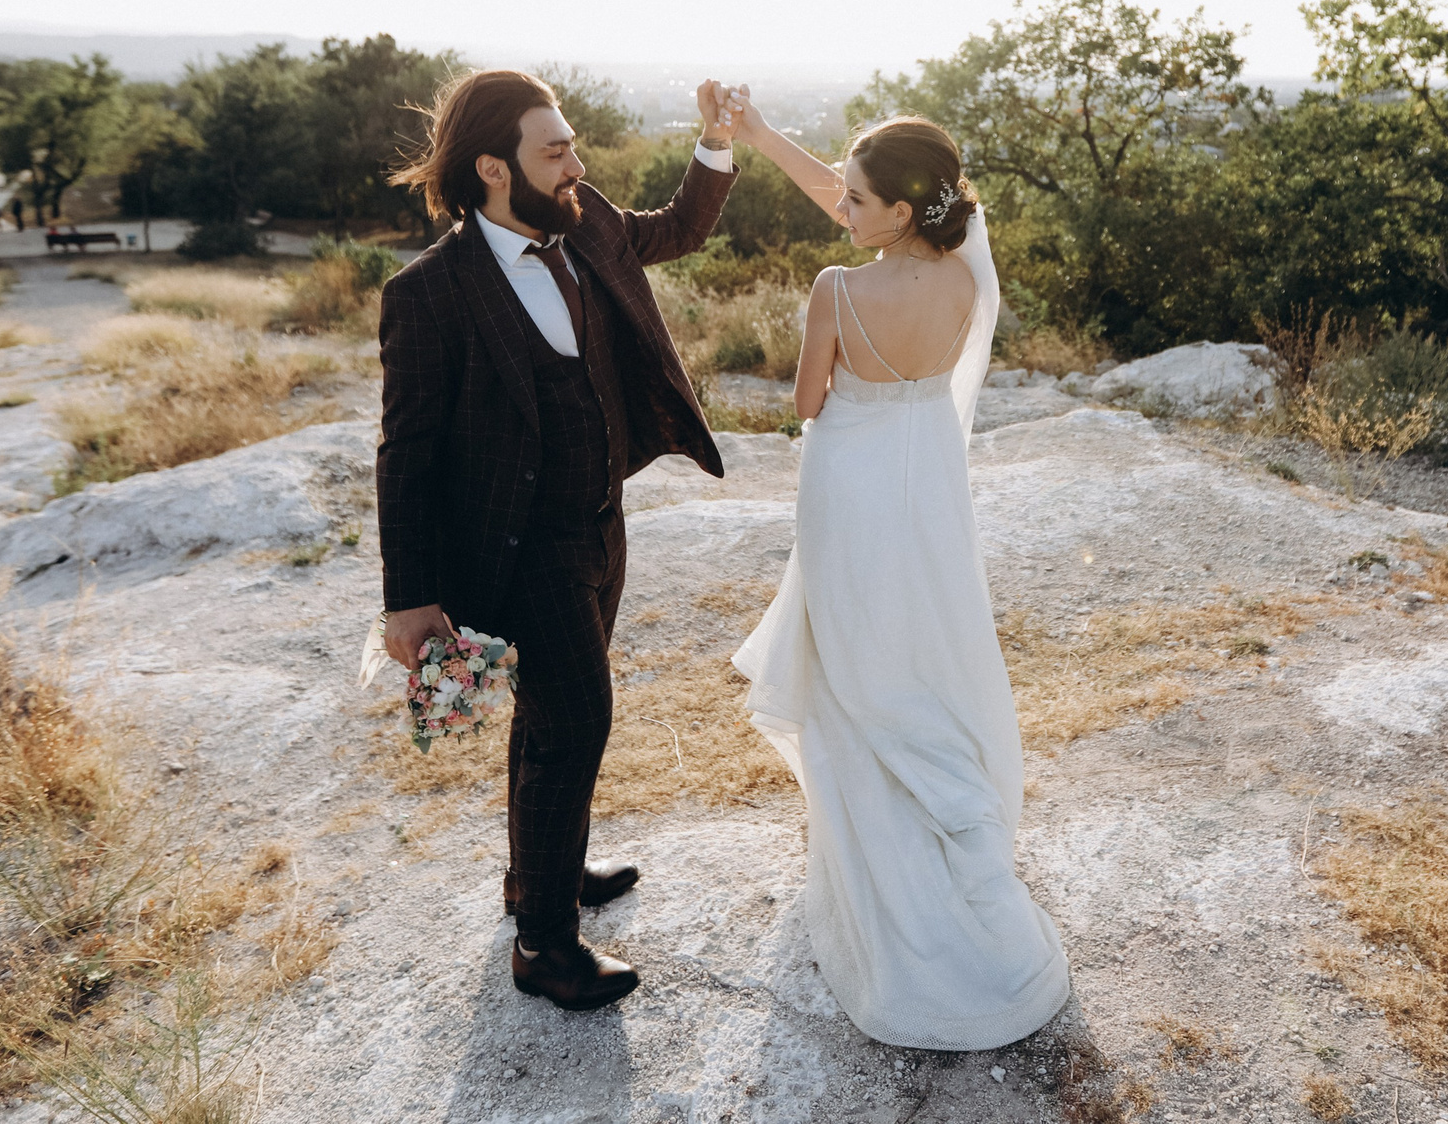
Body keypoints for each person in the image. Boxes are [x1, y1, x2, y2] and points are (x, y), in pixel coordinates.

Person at [374, 68, 740, 1012]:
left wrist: (715, 143)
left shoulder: (586, 220)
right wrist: (409, 596)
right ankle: (543, 944)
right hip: (516, 545)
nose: (577, 163)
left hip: (601, 526)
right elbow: (405, 454)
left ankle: (539, 873)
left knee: (548, 714)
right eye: (556, 150)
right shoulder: (428, 294)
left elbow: (681, 230)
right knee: (576, 718)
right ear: (494, 169)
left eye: (573, 145)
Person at [725, 96, 1073, 1050]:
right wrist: (758, 137)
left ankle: (873, 852)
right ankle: (950, 804)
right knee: (925, 637)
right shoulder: (966, 272)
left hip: (849, 476)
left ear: (899, 209)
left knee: (851, 653)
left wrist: (830, 370)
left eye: (856, 196)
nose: (840, 203)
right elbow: (847, 195)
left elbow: (807, 401)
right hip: (931, 480)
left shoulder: (836, 289)